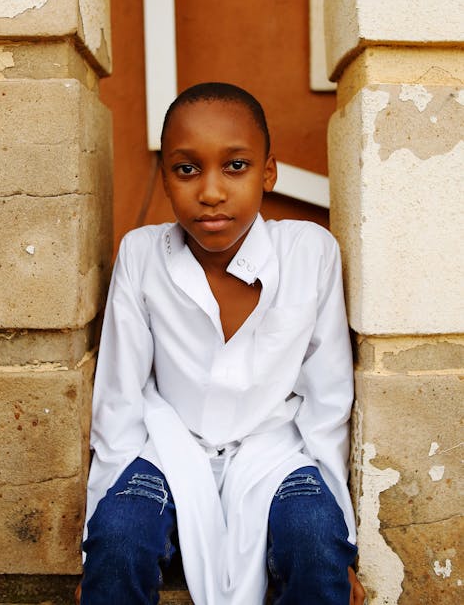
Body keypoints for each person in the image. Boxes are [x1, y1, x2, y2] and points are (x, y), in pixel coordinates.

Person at [79, 83, 366, 604]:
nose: (210, 191)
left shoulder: (308, 252)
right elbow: (118, 400)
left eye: (235, 166)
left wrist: (338, 541)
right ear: (165, 176)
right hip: (168, 449)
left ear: (268, 172)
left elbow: (327, 400)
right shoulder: (143, 254)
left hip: (276, 450)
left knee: (314, 543)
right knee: (119, 540)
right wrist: (94, 548)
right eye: (187, 169)